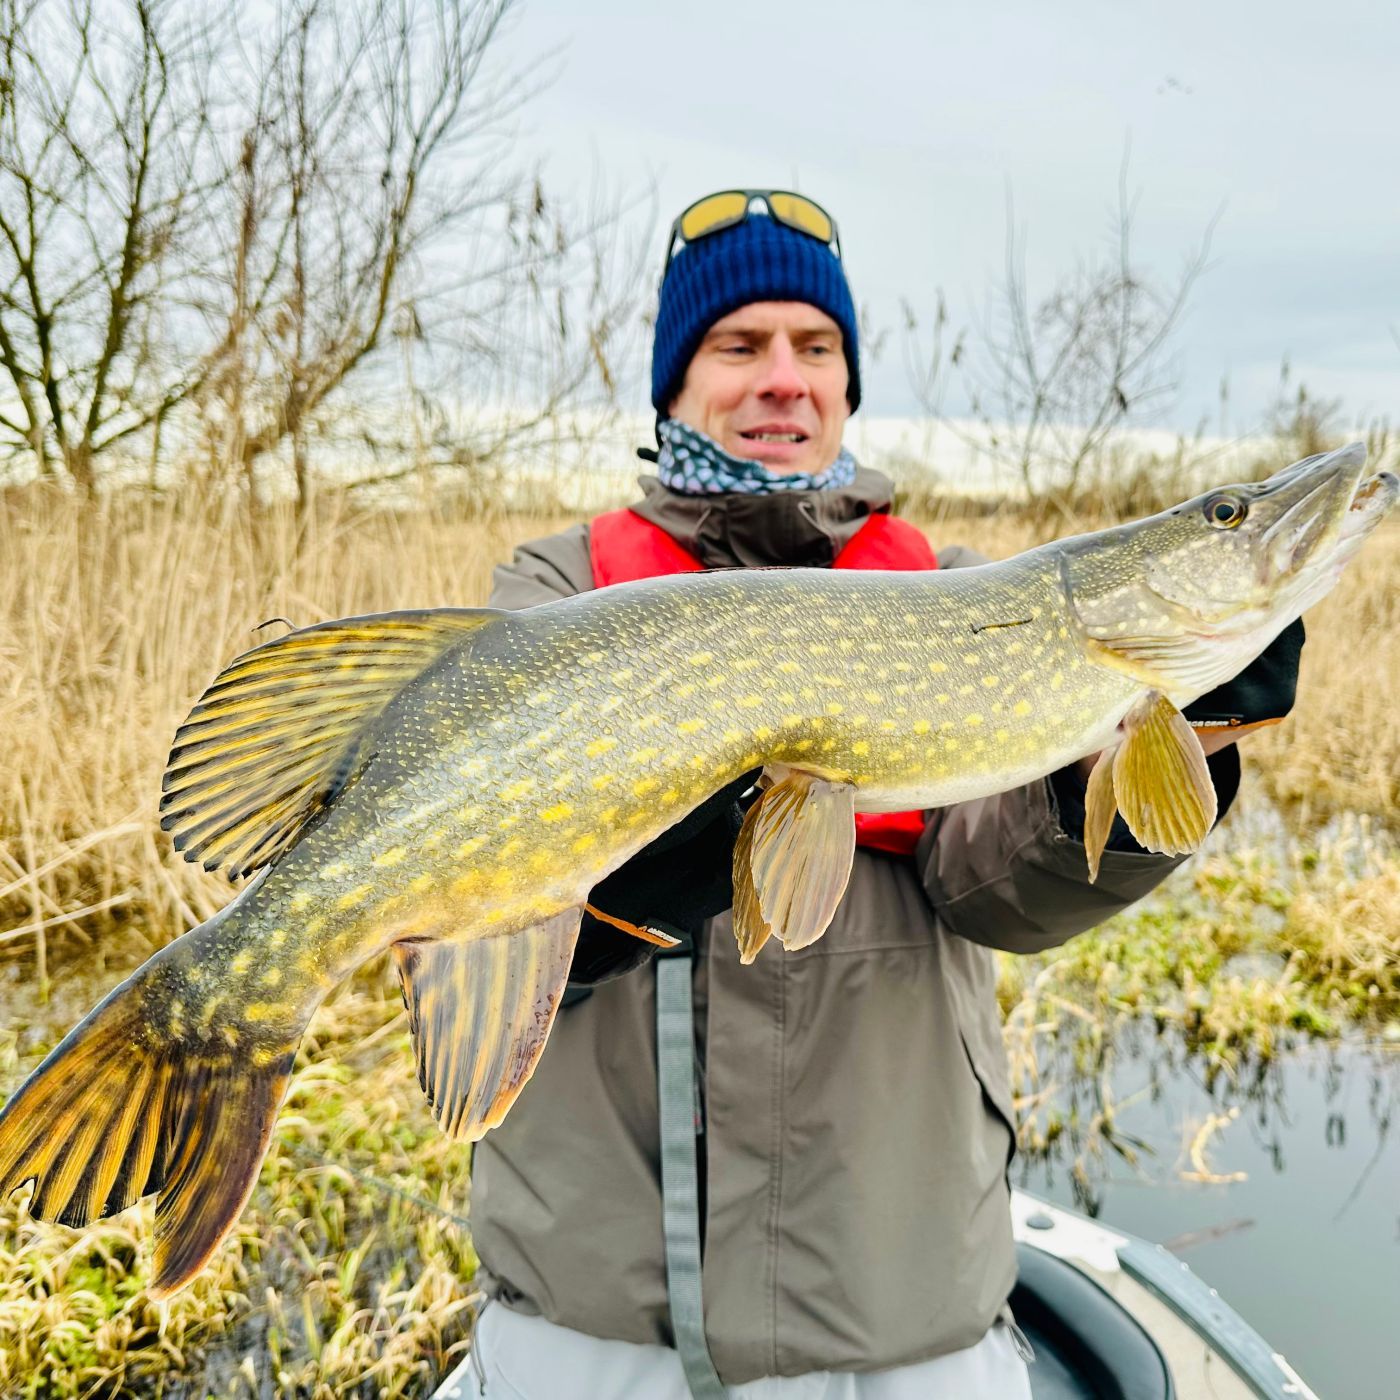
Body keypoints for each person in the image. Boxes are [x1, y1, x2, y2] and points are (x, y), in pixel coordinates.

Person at [459, 190, 1302, 1399]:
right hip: (592, 1320)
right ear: (673, 386)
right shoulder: (560, 586)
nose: (782, 380)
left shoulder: (960, 594)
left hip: (894, 1311)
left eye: (815, 349)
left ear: (847, 386)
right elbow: (470, 894)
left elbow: (995, 885)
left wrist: (1192, 741)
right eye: (737, 346)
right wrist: (617, 906)